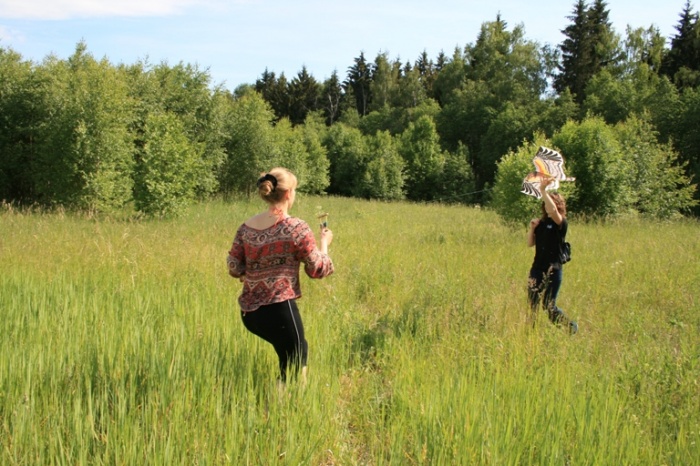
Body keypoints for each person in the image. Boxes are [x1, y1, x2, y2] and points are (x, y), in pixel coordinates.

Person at [227, 167, 334, 384]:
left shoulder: (246, 228)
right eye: (294, 190)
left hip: (250, 314)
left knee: (291, 355)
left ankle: (279, 408)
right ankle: (287, 410)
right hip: (279, 309)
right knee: (296, 366)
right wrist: (325, 243)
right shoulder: (296, 228)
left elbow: (234, 266)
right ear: (287, 194)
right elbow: (317, 269)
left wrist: (253, 271)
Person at [526, 177, 578, 334]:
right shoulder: (541, 224)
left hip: (553, 270)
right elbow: (530, 244)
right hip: (537, 269)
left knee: (549, 306)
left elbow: (553, 212)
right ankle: (530, 334)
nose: (547, 206)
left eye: (551, 203)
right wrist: (532, 228)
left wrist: (543, 190)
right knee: (532, 304)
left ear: (558, 205)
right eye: (546, 203)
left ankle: (570, 327)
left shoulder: (560, 223)